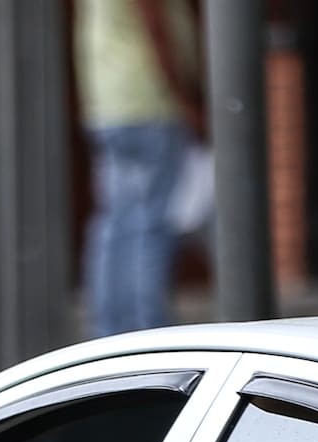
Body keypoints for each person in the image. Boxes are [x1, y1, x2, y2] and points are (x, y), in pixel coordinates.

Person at [74, 0, 204, 336]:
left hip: (109, 104)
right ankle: (149, 332)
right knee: (150, 224)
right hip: (150, 102)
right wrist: (186, 96)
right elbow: (156, 25)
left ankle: (110, 331)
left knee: (116, 223)